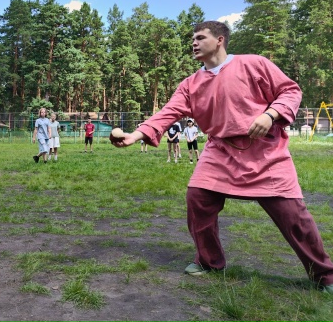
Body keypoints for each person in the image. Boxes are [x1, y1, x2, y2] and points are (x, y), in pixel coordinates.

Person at [110, 21, 333, 293]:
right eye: (192, 38)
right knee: (198, 198)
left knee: (293, 216)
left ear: (219, 40)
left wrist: (270, 114)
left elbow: (290, 91)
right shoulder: (191, 84)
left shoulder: (253, 64)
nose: (193, 42)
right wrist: (135, 135)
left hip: (265, 151)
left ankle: (325, 276)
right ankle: (210, 261)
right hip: (219, 150)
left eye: (200, 37)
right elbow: (167, 113)